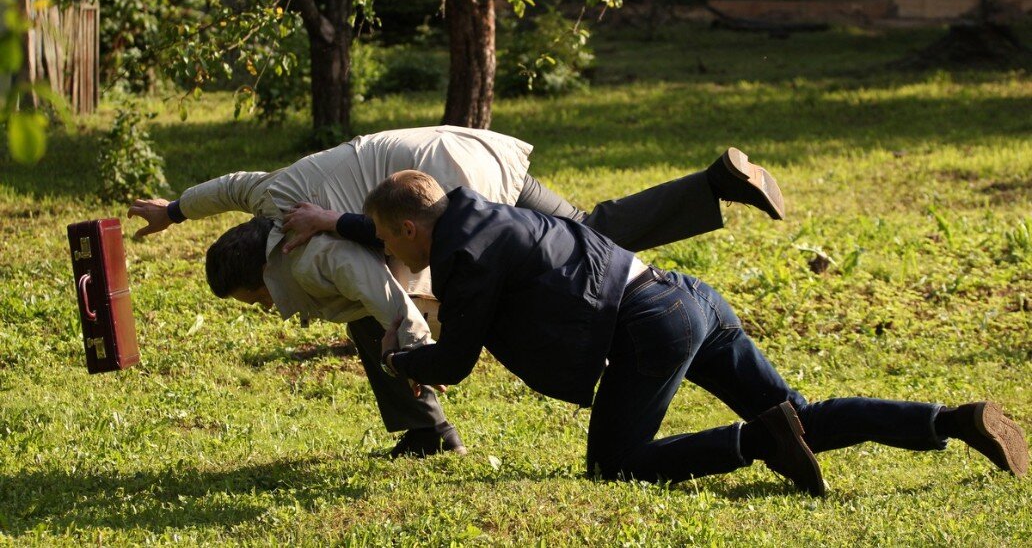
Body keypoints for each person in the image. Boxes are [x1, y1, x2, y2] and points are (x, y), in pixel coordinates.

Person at [128, 125, 784, 459]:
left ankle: (430, 429)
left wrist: (410, 344)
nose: (270, 307)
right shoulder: (270, 199)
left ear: (260, 271)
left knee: (581, 245)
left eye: (257, 298)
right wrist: (173, 210)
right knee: (586, 229)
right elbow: (232, 182)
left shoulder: (306, 251)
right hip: (462, 151)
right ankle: (711, 186)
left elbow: (378, 279)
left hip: (447, 181)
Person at [369, 170, 1028, 495]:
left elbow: (454, 360)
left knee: (615, 464)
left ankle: (752, 440)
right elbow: (396, 228)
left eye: (383, 237)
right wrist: (335, 225)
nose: (387, 248)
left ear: (405, 228)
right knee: (800, 417)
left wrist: (402, 358)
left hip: (648, 327)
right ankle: (953, 420)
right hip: (688, 297)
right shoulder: (484, 213)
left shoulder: (463, 256)